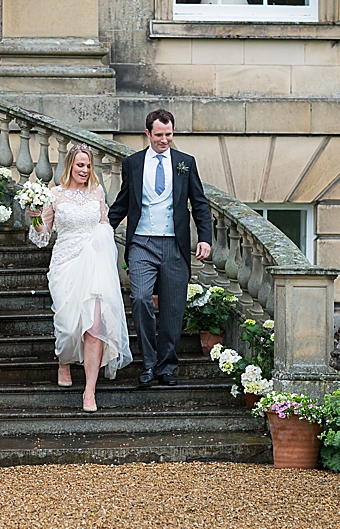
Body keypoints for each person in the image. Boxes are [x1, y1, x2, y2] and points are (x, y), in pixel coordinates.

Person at [108, 109, 212, 387]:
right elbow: (123, 200)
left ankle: (167, 366)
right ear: (148, 134)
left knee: (173, 309)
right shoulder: (133, 163)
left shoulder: (185, 163)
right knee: (141, 297)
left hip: (174, 245)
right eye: (159, 135)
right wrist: (103, 226)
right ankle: (149, 363)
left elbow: (199, 203)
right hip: (142, 242)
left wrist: (205, 238)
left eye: (168, 134)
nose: (164, 140)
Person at [28, 143, 133, 412]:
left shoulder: (97, 192)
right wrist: (35, 218)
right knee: (66, 326)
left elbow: (104, 227)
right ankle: (64, 360)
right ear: (70, 166)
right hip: (65, 264)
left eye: (88, 166)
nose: (85, 170)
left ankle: (89, 391)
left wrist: (101, 247)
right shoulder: (55, 195)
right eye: (80, 165)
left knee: (94, 327)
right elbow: (42, 237)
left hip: (95, 266)